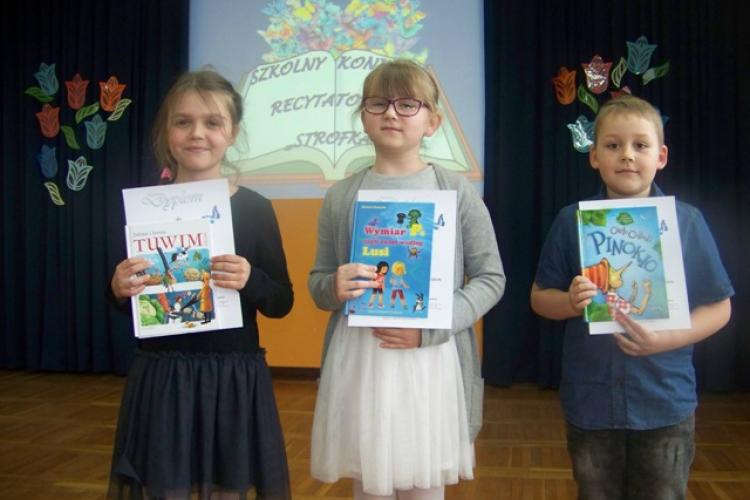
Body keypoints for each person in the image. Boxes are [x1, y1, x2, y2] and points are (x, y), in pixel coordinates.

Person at [308, 59, 505, 500]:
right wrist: (333, 286)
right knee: (369, 480)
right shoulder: (340, 197)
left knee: (424, 483)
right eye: (378, 103)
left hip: (431, 359)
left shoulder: (456, 191)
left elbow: (491, 278)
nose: (392, 113)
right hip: (362, 359)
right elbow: (318, 283)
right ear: (363, 116)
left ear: (433, 121)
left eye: (407, 104)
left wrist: (433, 327)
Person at [530, 94, 734, 500]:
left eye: (640, 145)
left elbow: (719, 307)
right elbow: (539, 298)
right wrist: (569, 302)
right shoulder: (571, 221)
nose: (626, 155)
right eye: (613, 145)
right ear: (594, 156)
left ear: (661, 156)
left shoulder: (686, 222)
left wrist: (668, 339)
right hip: (591, 401)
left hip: (664, 400)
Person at [106, 70, 294, 499]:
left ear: (233, 133)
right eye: (183, 122)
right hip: (164, 376)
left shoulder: (255, 208)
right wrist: (117, 288)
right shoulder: (144, 206)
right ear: (166, 130)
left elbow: (282, 301)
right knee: (165, 486)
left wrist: (251, 279)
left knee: (229, 486)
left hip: (233, 377)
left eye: (212, 123)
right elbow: (126, 297)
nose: (197, 133)